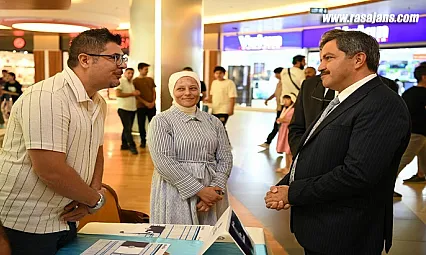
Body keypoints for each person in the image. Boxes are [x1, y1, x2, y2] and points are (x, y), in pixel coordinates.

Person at [264, 29, 411, 255]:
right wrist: (286, 183)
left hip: (346, 232)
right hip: (322, 226)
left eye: (329, 58)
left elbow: (358, 174)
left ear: (358, 60)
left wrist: (292, 193)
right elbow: (319, 151)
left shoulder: (382, 104)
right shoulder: (345, 99)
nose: (321, 66)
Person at [0, 28, 126, 254]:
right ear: (85, 60)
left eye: (122, 57)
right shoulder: (47, 97)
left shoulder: (97, 102)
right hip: (29, 221)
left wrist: (91, 196)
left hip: (68, 215)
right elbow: (51, 170)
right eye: (114, 57)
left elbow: (95, 149)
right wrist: (95, 201)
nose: (122, 65)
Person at [148, 71, 232, 225]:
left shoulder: (213, 121)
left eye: (193, 88)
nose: (187, 93)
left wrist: (215, 189)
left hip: (213, 191)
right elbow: (164, 162)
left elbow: (225, 157)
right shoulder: (161, 121)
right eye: (180, 89)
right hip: (176, 190)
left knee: (212, 240)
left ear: (199, 91)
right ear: (172, 91)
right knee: (178, 241)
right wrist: (200, 191)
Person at [394, 65, 426, 196]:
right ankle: (384, 186)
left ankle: (420, 175)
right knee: (402, 160)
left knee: (423, 158)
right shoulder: (423, 94)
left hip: (414, 132)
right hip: (418, 133)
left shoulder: (408, 92)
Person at [115, 67, 140, 155]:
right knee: (128, 128)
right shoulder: (121, 81)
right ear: (125, 73)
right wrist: (132, 94)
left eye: (132, 73)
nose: (130, 75)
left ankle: (124, 145)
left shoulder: (131, 83)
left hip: (132, 108)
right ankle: (132, 146)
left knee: (126, 128)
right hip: (123, 108)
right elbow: (118, 94)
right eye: (129, 73)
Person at [259, 67, 283, 149]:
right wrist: (268, 99)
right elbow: (275, 93)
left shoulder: (285, 83)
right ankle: (269, 142)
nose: (275, 76)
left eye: (276, 74)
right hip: (279, 108)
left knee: (277, 127)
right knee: (277, 127)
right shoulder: (279, 83)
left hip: (284, 109)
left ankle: (269, 142)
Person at [133, 62, 156, 148]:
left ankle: (153, 140)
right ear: (140, 70)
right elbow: (136, 95)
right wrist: (145, 103)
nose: (147, 71)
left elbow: (153, 91)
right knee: (141, 124)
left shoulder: (150, 79)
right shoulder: (135, 81)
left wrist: (153, 101)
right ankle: (143, 141)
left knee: (153, 124)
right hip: (141, 106)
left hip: (152, 105)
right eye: (145, 69)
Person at [275, 93, 296, 174]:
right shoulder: (285, 108)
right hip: (284, 130)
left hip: (289, 130)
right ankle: (286, 167)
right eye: (284, 99)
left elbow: (293, 121)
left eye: (287, 99)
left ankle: (290, 169)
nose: (285, 101)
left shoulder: (294, 109)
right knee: (285, 151)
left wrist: (283, 120)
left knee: (289, 151)